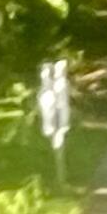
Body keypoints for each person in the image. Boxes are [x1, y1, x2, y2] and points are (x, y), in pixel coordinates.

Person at [36, 56, 73, 188]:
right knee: (54, 148)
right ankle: (57, 178)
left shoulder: (61, 85)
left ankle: (60, 178)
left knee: (58, 147)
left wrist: (63, 123)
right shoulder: (46, 91)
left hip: (58, 121)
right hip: (52, 122)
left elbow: (63, 105)